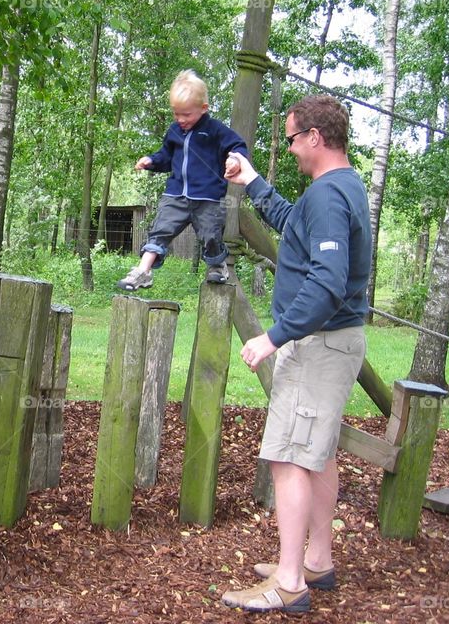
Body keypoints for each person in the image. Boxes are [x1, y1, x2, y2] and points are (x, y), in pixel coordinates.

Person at [218, 94, 371, 613]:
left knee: (287, 458)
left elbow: (327, 282)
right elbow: (294, 224)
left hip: (319, 345)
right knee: (318, 453)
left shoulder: (330, 195)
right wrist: (253, 181)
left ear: (315, 137)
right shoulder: (340, 187)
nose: (290, 147)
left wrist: (274, 335)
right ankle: (316, 561)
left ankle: (289, 583)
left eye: (290, 138)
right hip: (335, 341)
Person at [116, 70, 248, 291]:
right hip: (175, 195)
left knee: (211, 235)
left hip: (208, 198)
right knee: (160, 230)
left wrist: (234, 159)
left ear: (203, 109)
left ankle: (217, 266)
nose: (180, 120)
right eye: (176, 114)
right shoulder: (175, 131)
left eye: (186, 114)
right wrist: (151, 161)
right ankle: (143, 271)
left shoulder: (215, 130)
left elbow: (238, 145)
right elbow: (166, 157)